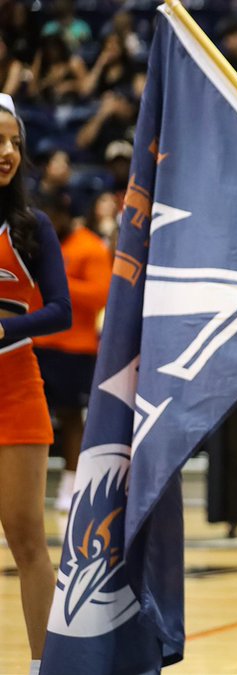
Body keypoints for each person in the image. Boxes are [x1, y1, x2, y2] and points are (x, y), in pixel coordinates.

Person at [0, 93, 71, 675]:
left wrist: (5, 328)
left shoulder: (32, 225)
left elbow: (61, 311)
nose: (6, 153)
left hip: (17, 387)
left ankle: (44, 667)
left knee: (28, 541)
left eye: (15, 143)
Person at [32, 189, 111, 512]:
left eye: (56, 216)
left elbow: (100, 294)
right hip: (35, 344)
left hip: (74, 348)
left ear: (68, 216)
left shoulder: (89, 247)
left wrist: (57, 281)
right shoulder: (32, 243)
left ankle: (70, 486)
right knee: (28, 420)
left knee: (71, 418)